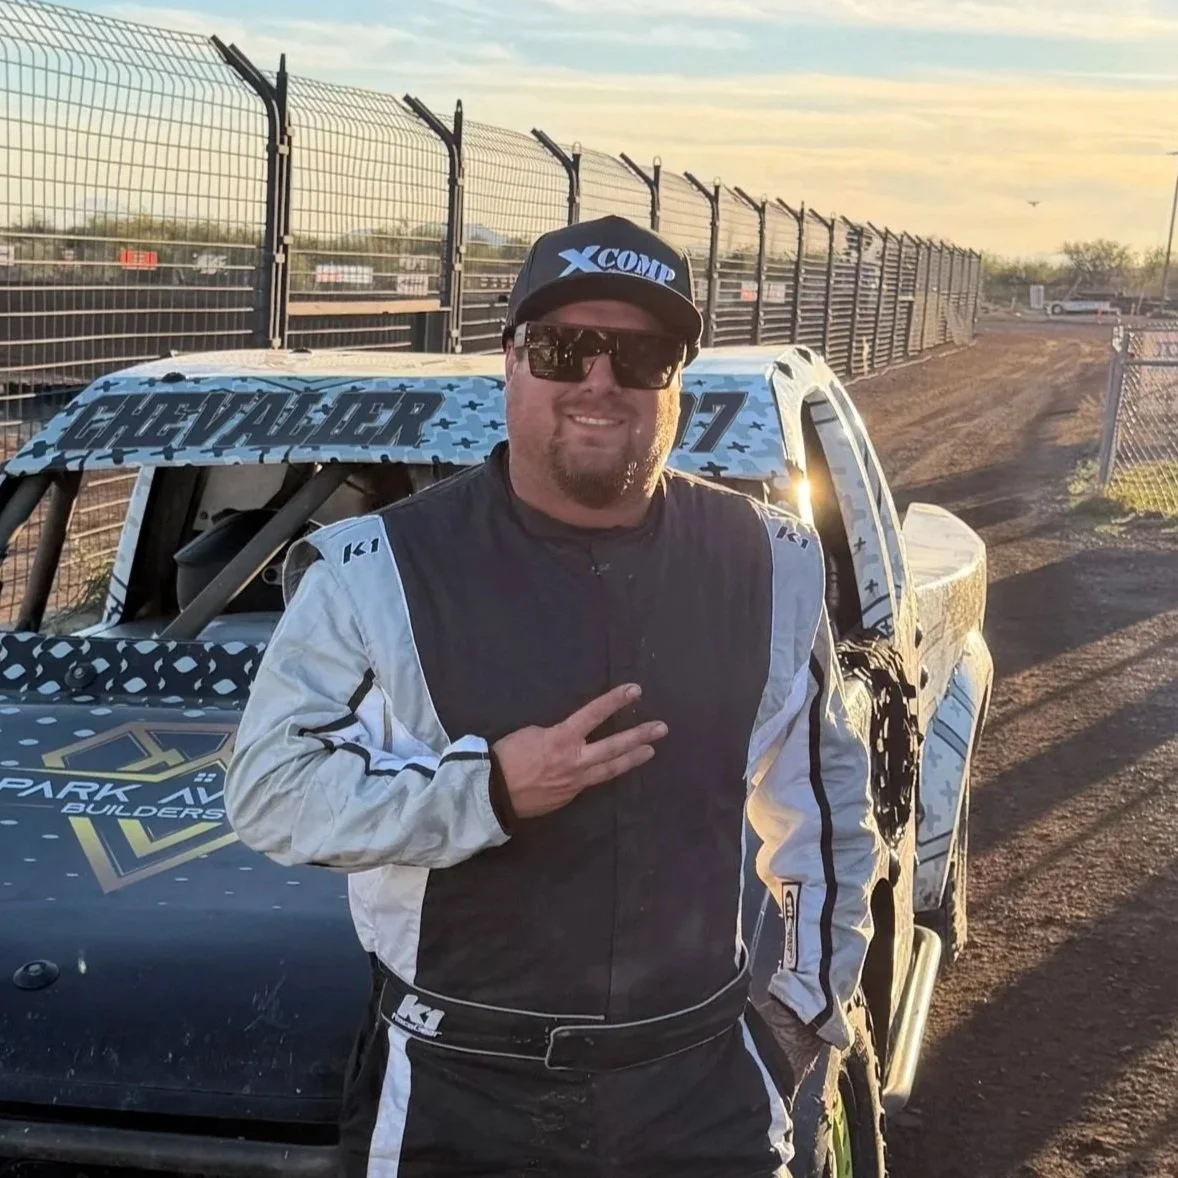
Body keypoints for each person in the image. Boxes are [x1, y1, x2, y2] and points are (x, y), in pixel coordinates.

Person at [225, 213, 885, 1178]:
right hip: (456, 1093)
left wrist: (800, 1014)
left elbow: (826, 809)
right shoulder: (376, 566)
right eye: (563, 347)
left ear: (678, 384)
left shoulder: (773, 559)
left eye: (641, 354)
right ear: (511, 363)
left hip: (697, 1095)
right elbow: (269, 791)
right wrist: (484, 790)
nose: (599, 381)